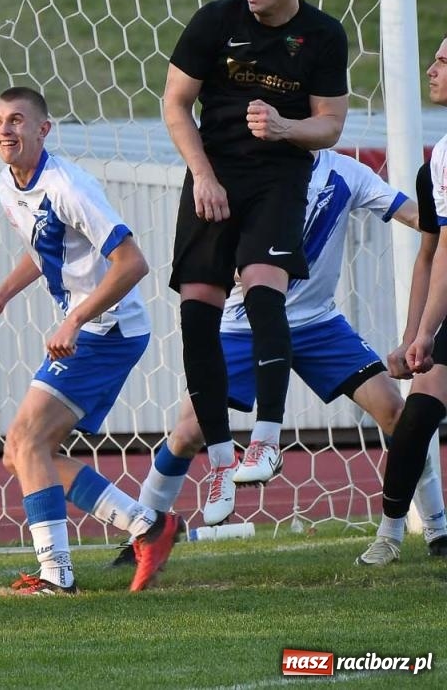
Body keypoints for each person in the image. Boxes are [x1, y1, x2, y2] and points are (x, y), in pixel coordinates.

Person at [118, 148, 446, 568]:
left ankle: (437, 528)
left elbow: (421, 218)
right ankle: (142, 534)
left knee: (399, 414)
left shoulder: (347, 172)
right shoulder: (246, 165)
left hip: (318, 325)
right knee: (186, 434)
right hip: (241, 325)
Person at [162, 0, 350, 525]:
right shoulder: (214, 22)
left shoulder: (322, 35)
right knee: (198, 309)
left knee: (265, 290)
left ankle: (266, 439)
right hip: (211, 174)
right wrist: (204, 178)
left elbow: (331, 126)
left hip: (277, 178)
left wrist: (285, 127)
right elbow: (174, 103)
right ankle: (219, 458)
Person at [0, 87, 180, 595]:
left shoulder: (68, 186)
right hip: (90, 330)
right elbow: (44, 250)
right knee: (22, 454)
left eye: (17, 120)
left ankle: (56, 576)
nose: (4, 130)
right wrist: (1, 297)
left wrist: (75, 321)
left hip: (109, 331)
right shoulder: (8, 183)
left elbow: (132, 263)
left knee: (27, 441)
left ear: (44, 130)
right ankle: (147, 524)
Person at [366, 35, 447, 565]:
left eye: (443, 61)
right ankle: (392, 533)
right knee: (416, 416)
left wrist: (424, 334)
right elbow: (431, 255)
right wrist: (415, 334)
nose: (431, 68)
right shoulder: (438, 159)